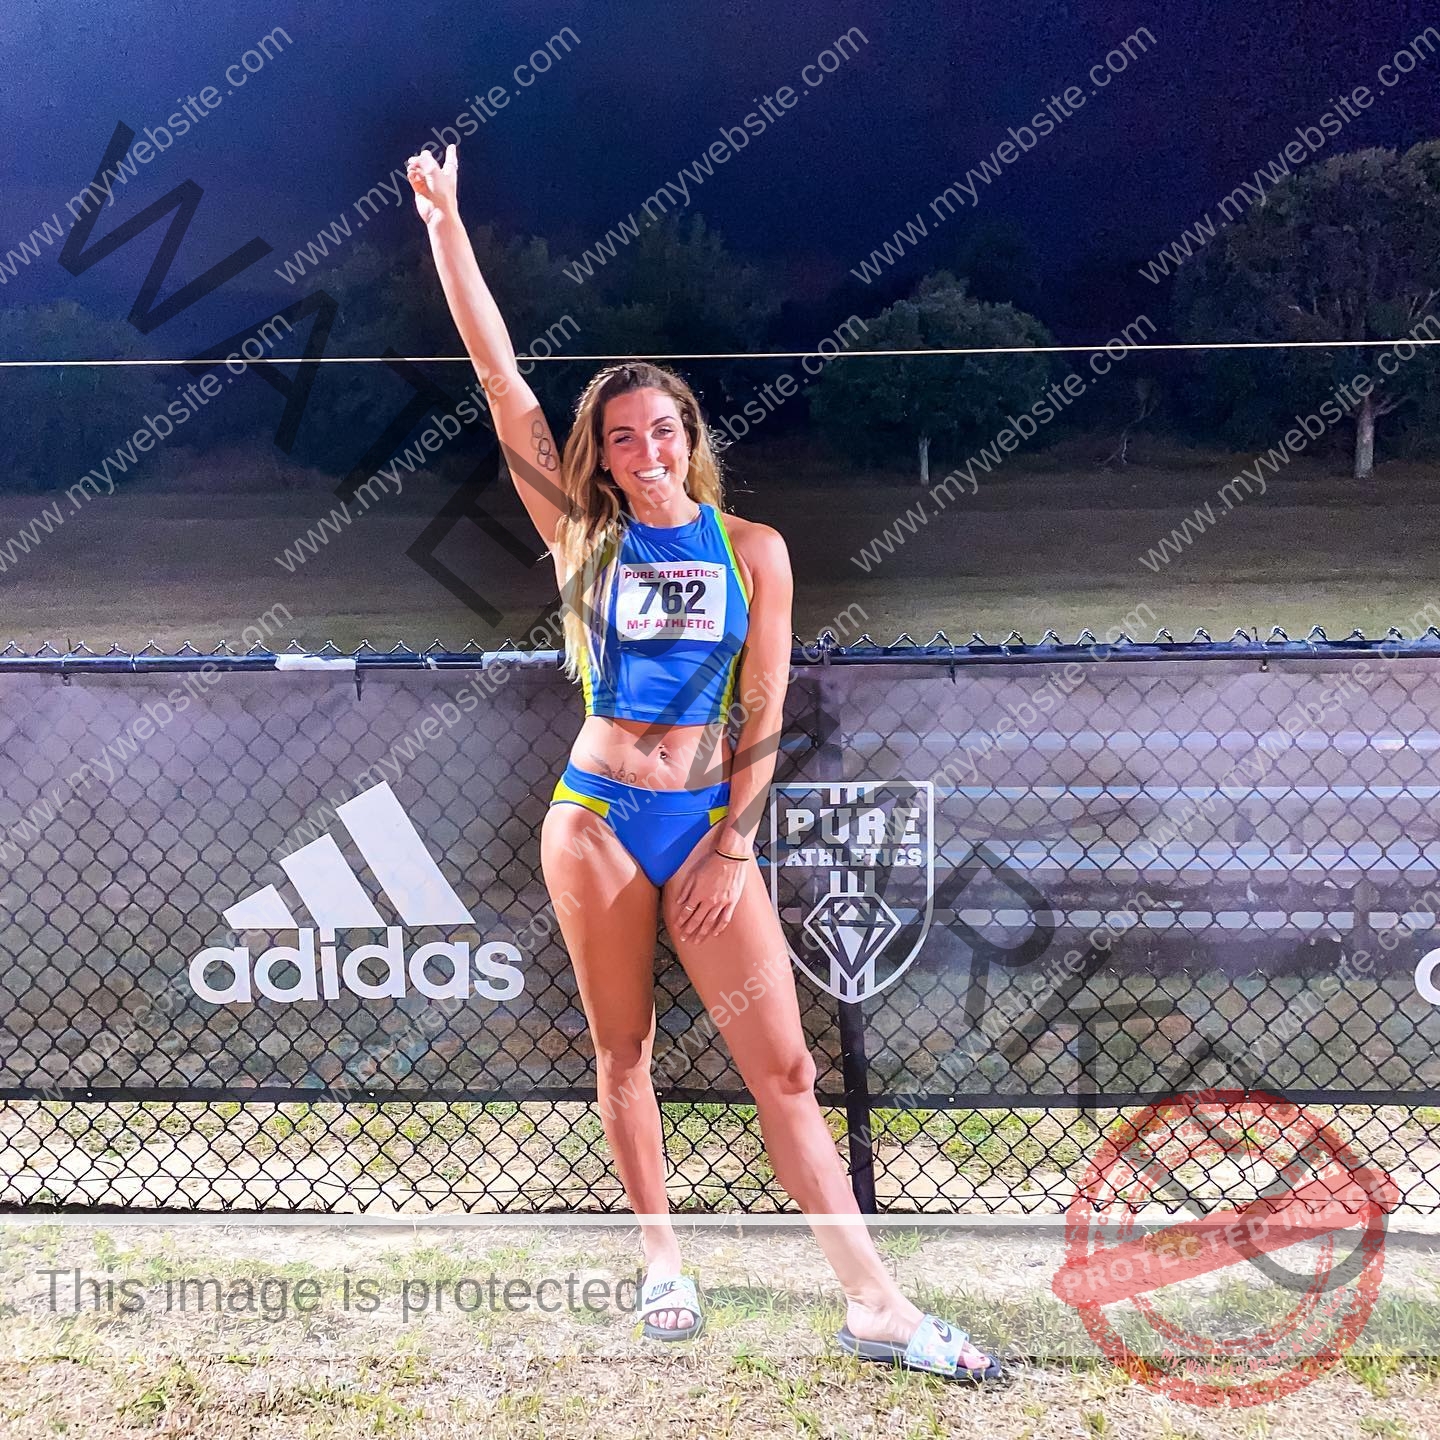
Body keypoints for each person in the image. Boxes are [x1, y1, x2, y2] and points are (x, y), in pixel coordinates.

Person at [406, 141, 1001, 1384]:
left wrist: (734, 843)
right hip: (596, 819)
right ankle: (661, 1260)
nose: (646, 450)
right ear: (602, 454)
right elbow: (502, 384)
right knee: (622, 1051)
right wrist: (448, 224)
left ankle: (876, 1305)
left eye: (663, 430)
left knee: (785, 1066)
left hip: (706, 830)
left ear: (690, 439)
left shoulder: (754, 549)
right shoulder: (583, 538)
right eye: (622, 437)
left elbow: (766, 706)